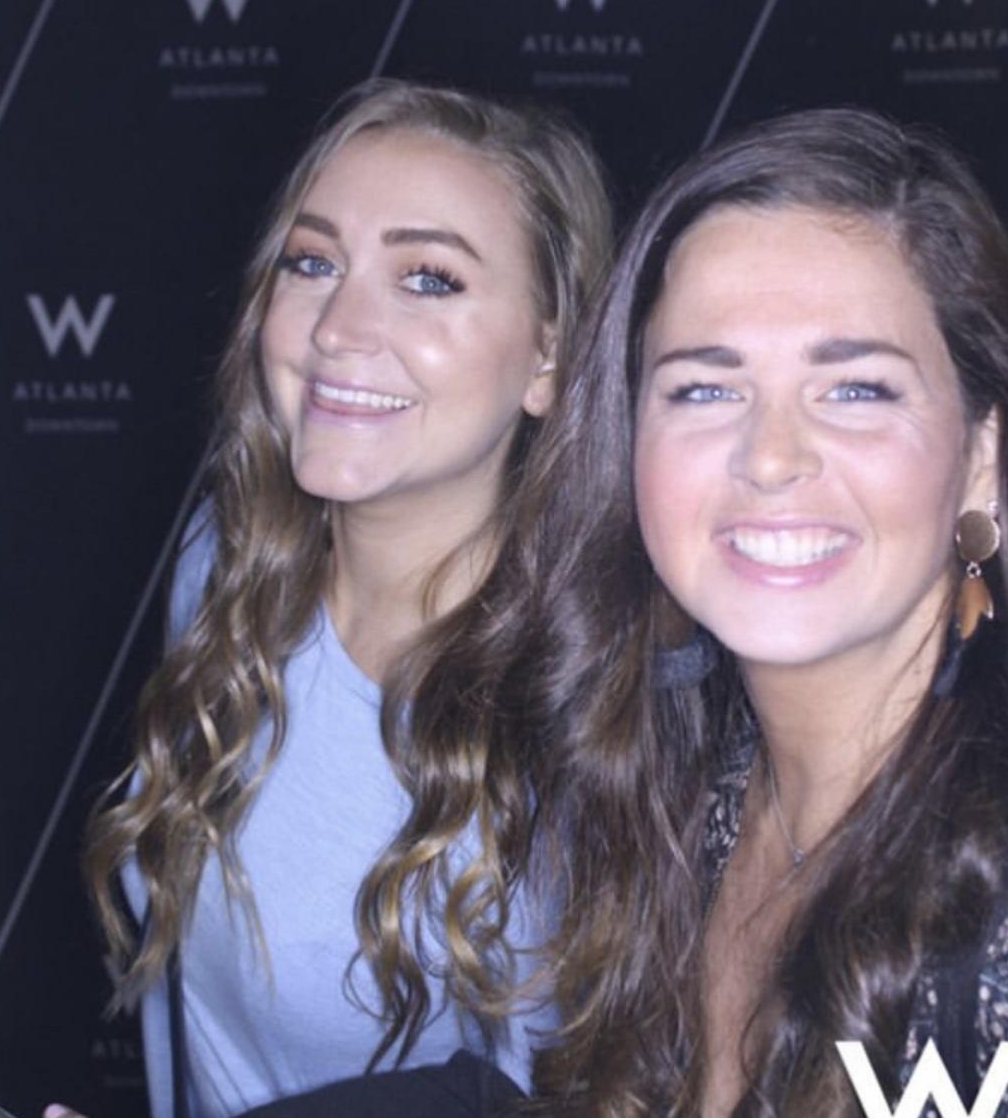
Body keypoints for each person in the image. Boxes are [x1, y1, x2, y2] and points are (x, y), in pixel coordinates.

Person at [516, 108, 1008, 1115]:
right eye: (704, 391)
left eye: (856, 390)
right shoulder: (685, 795)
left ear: (981, 460)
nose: (771, 457)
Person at [78, 79, 611, 1118]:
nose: (338, 327)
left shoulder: (577, 719)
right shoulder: (229, 566)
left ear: (548, 357)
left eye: (428, 279)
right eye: (313, 262)